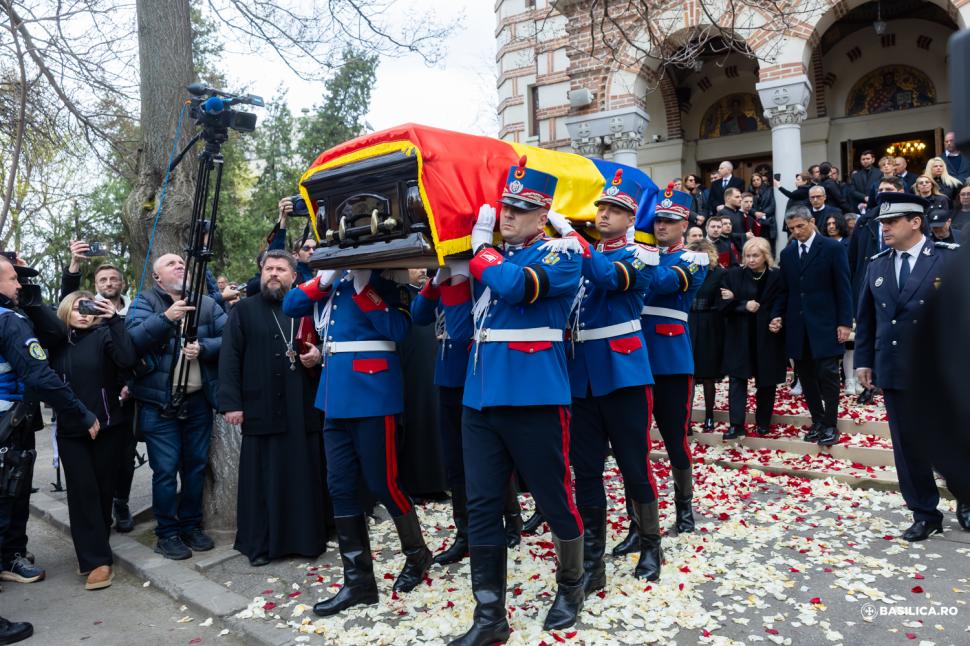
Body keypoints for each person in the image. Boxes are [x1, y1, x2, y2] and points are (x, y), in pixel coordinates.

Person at [448, 157, 586, 644]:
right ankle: (489, 617)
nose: (508, 215)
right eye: (505, 206)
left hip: (534, 397)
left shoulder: (562, 254)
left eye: (520, 208)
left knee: (554, 497)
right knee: (484, 504)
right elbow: (462, 324)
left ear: (542, 214)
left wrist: (481, 251)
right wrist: (452, 272)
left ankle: (573, 585)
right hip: (480, 397)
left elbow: (514, 286)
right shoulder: (491, 263)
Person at [283, 262, 432, 616]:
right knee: (340, 487)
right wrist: (324, 278)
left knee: (384, 484)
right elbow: (291, 305)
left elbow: (398, 329)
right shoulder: (330, 283)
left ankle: (417, 553)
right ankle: (359, 581)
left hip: (373, 393)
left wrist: (366, 290)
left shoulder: (384, 282)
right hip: (335, 395)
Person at [549, 170, 666, 590]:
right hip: (582, 379)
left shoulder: (642, 255)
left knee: (635, 466)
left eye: (614, 209)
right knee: (586, 472)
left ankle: (651, 543)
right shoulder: (583, 255)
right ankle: (593, 561)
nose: (603, 214)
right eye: (600, 207)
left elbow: (607, 278)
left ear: (630, 217)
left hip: (623, 376)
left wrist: (573, 238)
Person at [0, 256, 101, 643]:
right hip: (6, 422)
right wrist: (79, 409)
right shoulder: (9, 320)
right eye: (12, 279)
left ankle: (9, 557)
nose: (18, 286)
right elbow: (38, 371)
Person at [855, 193, 967, 541]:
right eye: (882, 223)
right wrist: (863, 362)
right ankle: (924, 511)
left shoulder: (948, 259)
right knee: (908, 447)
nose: (884, 228)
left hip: (946, 370)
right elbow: (868, 319)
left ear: (916, 222)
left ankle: (966, 501)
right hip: (896, 369)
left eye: (892, 222)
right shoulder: (877, 264)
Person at [219, 250, 329, 566]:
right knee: (263, 479)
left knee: (303, 474)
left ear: (294, 276)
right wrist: (231, 403)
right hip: (260, 406)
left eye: (281, 269)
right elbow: (229, 358)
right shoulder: (244, 311)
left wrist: (318, 355)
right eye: (269, 268)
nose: (273, 274)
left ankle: (307, 540)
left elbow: (327, 343)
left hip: (302, 404)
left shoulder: (309, 309)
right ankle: (262, 545)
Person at [619, 186, 708, 550]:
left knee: (674, 440)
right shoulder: (644, 254)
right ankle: (637, 523)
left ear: (684, 224)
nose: (662, 226)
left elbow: (660, 283)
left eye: (670, 221)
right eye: (658, 220)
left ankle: (684, 509)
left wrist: (634, 253)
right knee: (633, 445)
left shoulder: (692, 260)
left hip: (671, 361)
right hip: (637, 359)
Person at [125, 253, 227, 560]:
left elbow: (233, 337)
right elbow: (132, 341)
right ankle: (166, 534)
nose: (179, 265)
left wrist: (206, 347)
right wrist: (168, 317)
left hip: (198, 402)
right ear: (157, 278)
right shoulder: (145, 302)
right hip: (159, 404)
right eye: (171, 264)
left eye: (182, 263)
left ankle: (191, 527)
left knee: (195, 468)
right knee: (166, 471)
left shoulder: (207, 304)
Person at [48, 291, 137, 590]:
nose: (84, 313)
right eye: (77, 308)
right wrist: (71, 271)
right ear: (65, 311)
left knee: (101, 491)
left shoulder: (105, 335)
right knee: (82, 491)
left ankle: (95, 545)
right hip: (72, 430)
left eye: (89, 307)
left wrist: (114, 321)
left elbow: (128, 359)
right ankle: (97, 560)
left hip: (109, 426)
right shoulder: (57, 341)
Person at [60, 242, 138, 533]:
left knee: (121, 462)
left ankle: (120, 503)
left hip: (120, 406)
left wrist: (128, 384)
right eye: (102, 280)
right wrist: (74, 265)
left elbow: (131, 357)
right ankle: (96, 526)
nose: (108, 283)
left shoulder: (130, 311)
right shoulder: (80, 316)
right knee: (88, 478)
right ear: (95, 286)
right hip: (82, 412)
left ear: (122, 283)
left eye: (113, 279)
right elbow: (66, 303)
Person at [778, 206, 852, 447]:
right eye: (792, 229)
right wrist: (778, 316)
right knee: (806, 377)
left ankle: (831, 424)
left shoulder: (832, 247)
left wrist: (844, 322)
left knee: (828, 375)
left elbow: (843, 287)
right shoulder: (788, 253)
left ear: (811, 222)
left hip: (826, 324)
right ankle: (818, 421)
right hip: (798, 326)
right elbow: (786, 290)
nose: (797, 232)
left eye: (800, 226)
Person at [719, 238, 786, 438]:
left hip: (767, 334)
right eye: (747, 255)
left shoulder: (777, 276)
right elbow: (721, 305)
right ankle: (736, 424)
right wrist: (742, 305)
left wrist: (777, 318)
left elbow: (781, 300)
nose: (750, 259)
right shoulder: (734, 274)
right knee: (737, 379)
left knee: (767, 381)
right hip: (740, 334)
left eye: (755, 255)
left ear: (765, 256)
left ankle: (763, 422)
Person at [688, 240, 725, 432]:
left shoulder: (718, 273)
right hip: (688, 321)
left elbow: (722, 301)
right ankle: (686, 419)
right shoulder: (687, 271)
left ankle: (709, 416)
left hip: (710, 325)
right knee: (689, 374)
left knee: (709, 375)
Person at [750, 173, 776, 250]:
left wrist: (762, 214)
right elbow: (748, 206)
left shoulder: (769, 190)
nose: (756, 181)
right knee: (757, 244)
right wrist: (755, 212)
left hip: (767, 220)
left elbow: (772, 205)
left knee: (769, 244)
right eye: (753, 180)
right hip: (754, 220)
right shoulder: (749, 192)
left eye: (758, 179)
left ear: (761, 180)